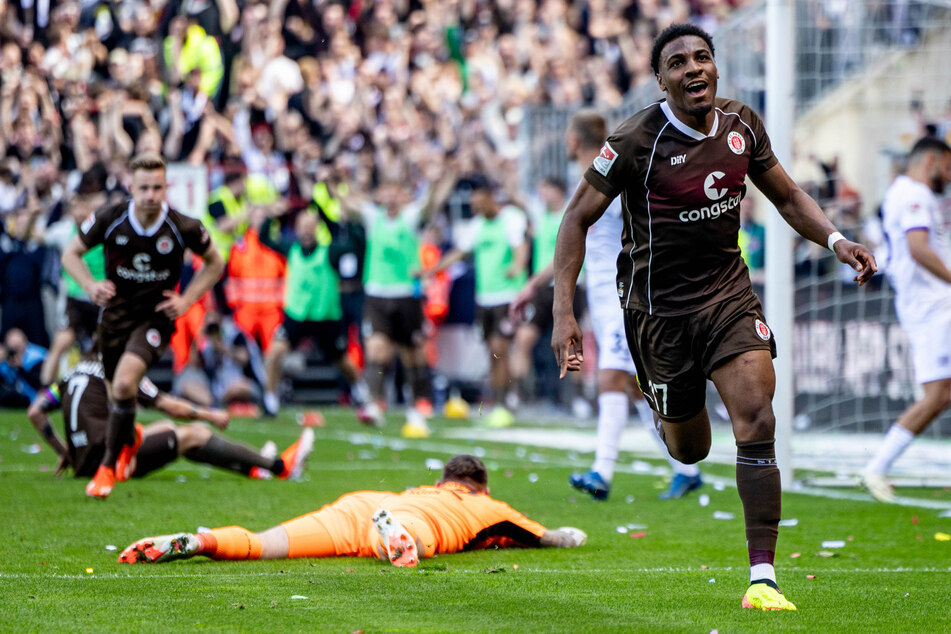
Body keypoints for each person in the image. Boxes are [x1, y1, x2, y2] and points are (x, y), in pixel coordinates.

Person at [549, 24, 877, 611]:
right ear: (661, 80)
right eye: (678, 63)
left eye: (702, 58)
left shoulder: (742, 124)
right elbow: (574, 220)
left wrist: (836, 240)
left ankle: (764, 577)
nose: (693, 69)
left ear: (717, 67)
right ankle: (666, 414)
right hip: (658, 314)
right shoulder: (631, 142)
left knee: (755, 415)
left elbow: (787, 196)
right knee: (691, 450)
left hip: (728, 298)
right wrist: (563, 313)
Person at [514, 110, 705, 501]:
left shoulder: (614, 173)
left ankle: (602, 471)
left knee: (611, 379)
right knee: (635, 389)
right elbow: (574, 242)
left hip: (623, 296)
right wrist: (534, 284)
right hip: (605, 297)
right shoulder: (591, 179)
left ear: (573, 139)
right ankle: (686, 470)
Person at [61, 152, 225, 498]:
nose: (151, 195)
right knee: (115, 395)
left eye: (157, 187)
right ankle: (130, 438)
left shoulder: (183, 227)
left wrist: (186, 299)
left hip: (154, 321)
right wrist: (91, 286)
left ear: (166, 187)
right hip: (114, 321)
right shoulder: (110, 218)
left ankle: (107, 468)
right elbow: (69, 254)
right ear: (131, 187)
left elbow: (215, 263)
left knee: (123, 385)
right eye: (144, 188)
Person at [118, 454, 586, 566]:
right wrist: (570, 534)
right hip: (411, 520)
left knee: (266, 544)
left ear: (443, 480)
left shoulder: (423, 488)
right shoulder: (490, 508)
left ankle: (204, 540)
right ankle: (394, 542)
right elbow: (545, 537)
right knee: (419, 540)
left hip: (366, 502)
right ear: (480, 487)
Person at [26, 354, 313, 481]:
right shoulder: (120, 372)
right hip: (108, 461)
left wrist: (66, 452)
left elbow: (35, 411)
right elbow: (168, 404)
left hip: (86, 460)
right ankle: (279, 467)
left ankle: (252, 469)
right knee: (195, 433)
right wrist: (208, 414)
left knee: (167, 430)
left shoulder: (71, 374)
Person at [862, 137, 951, 502]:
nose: (948, 175)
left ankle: (877, 467)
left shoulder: (899, 192)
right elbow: (917, 249)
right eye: (947, 167)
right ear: (930, 160)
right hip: (933, 307)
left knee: (941, 393)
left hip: (927, 305)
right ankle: (876, 468)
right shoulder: (916, 195)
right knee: (938, 395)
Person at [436, 176, 529, 426]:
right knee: (492, 352)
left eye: (478, 203)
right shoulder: (477, 225)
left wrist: (517, 266)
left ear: (489, 198)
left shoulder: (510, 218)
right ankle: (501, 400)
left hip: (507, 296)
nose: (475, 209)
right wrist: (434, 269)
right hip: (484, 298)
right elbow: (459, 251)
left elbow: (521, 247)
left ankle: (506, 400)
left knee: (500, 349)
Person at [258, 207, 367, 415]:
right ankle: (270, 400)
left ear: (316, 229)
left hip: (325, 317)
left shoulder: (330, 251)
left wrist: (349, 222)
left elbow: (357, 245)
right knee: (274, 354)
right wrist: (272, 215)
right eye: (302, 227)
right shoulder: (292, 249)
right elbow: (265, 239)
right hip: (297, 315)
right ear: (297, 229)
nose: (306, 231)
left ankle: (359, 390)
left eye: (310, 227)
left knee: (342, 360)